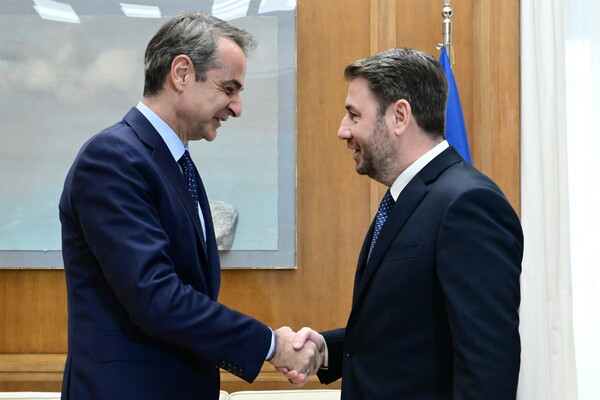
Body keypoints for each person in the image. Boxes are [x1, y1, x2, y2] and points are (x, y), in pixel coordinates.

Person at [59, 12, 320, 400]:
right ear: (181, 73)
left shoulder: (175, 162)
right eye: (228, 88)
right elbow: (156, 298)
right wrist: (270, 344)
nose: (237, 107)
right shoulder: (113, 157)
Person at [282, 47, 523, 399]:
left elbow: (488, 363)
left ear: (399, 116)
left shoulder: (467, 203)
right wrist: (326, 349)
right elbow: (410, 329)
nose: (342, 131)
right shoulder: (406, 198)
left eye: (354, 115)